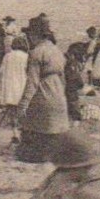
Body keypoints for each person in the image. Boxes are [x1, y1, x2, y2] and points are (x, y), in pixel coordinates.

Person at [17, 16, 69, 163]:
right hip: (58, 95)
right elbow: (63, 79)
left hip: (43, 96)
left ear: (34, 35)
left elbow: (32, 82)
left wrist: (23, 105)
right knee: (54, 133)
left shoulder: (36, 53)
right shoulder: (57, 51)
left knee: (33, 132)